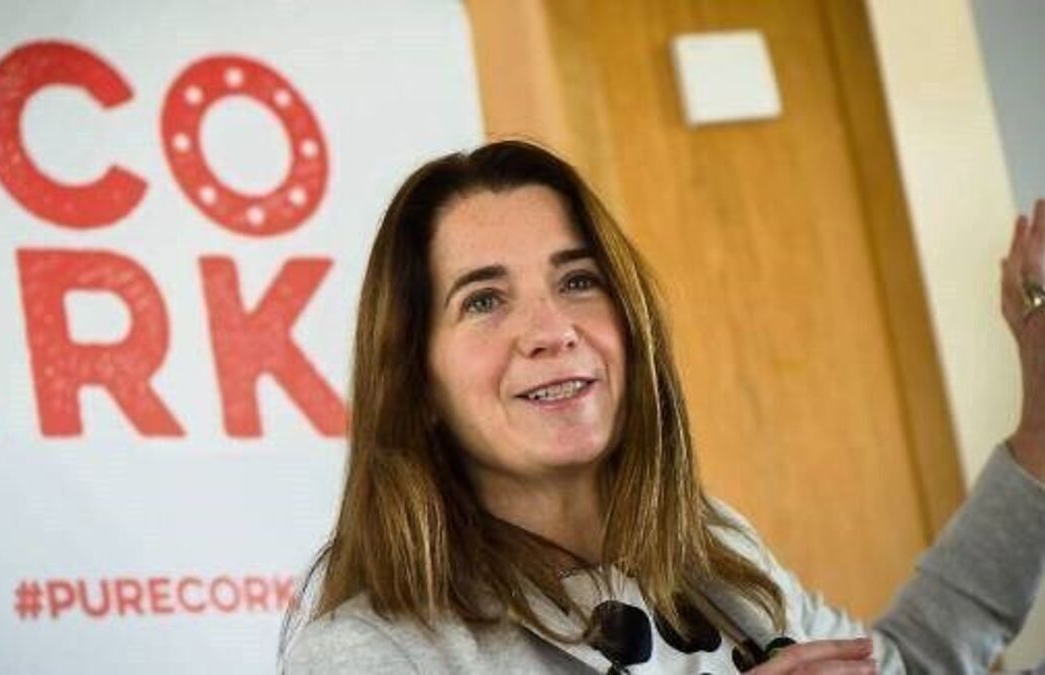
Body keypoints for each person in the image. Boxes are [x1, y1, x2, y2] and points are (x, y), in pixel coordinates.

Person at [281, 140, 1045, 673]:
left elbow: (903, 665)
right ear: (416, 383)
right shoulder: (370, 651)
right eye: (484, 299)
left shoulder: (714, 548)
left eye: (578, 280)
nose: (552, 329)